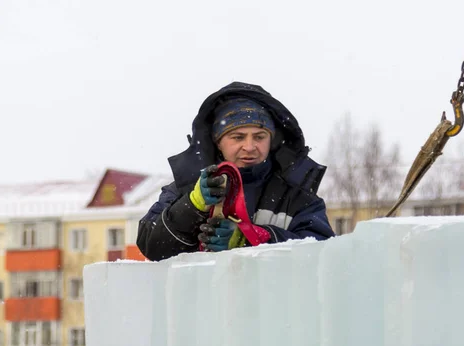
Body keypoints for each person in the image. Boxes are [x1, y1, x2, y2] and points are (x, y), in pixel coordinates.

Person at [137, 81, 335, 261]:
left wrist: (250, 239)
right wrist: (193, 205)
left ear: (271, 140)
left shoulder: (296, 196)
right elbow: (151, 246)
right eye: (238, 137)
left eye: (259, 137)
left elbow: (323, 253)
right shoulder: (185, 189)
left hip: (272, 301)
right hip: (200, 300)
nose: (249, 147)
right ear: (218, 141)